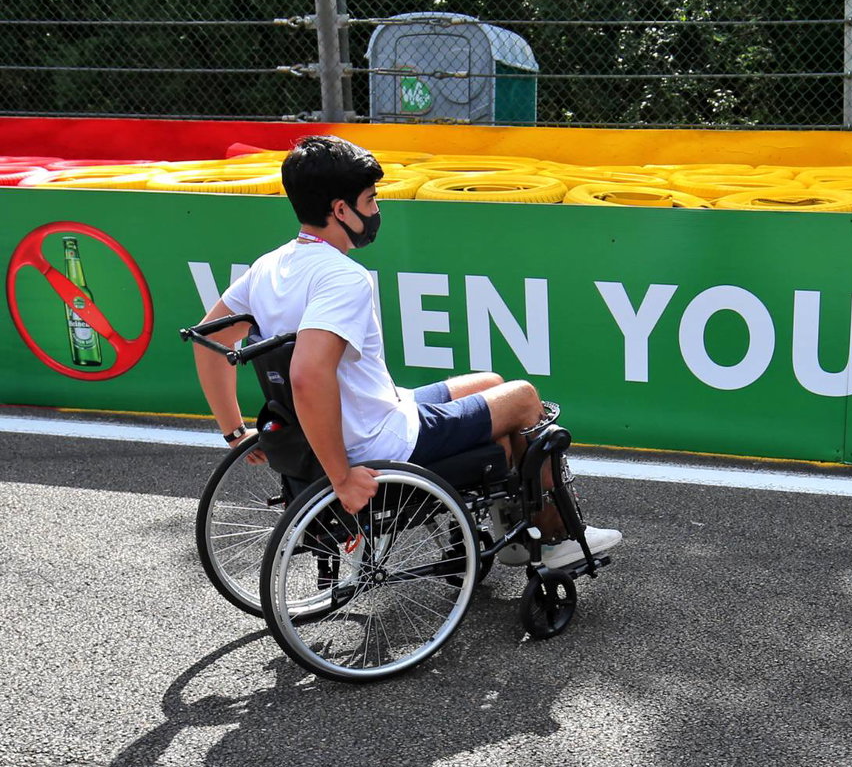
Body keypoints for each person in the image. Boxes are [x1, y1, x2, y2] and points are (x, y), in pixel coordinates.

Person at [191, 134, 620, 570]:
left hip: (358, 417)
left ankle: (512, 529)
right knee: (524, 398)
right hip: (379, 439)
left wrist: (234, 432)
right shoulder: (343, 277)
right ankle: (556, 538)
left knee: (490, 384)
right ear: (341, 210)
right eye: (371, 200)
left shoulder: (270, 266)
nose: (377, 211)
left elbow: (210, 340)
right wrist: (342, 479)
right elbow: (306, 375)